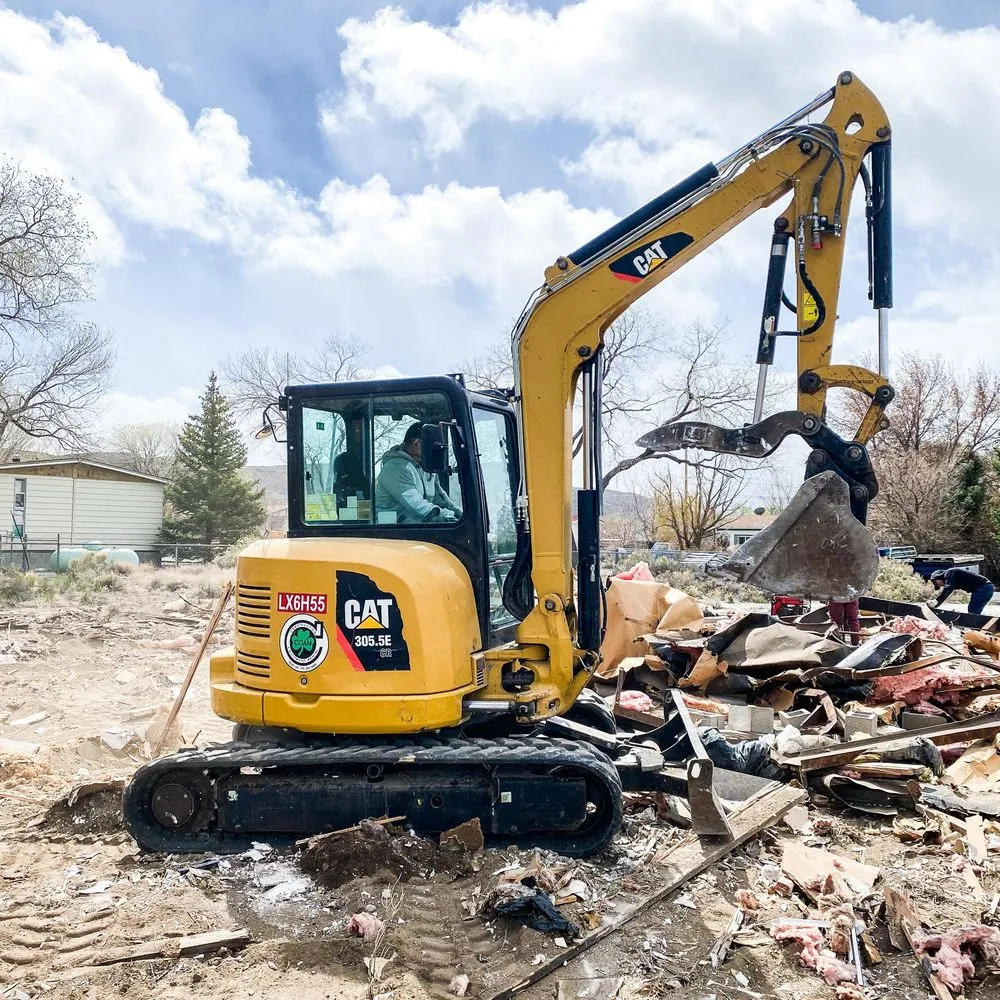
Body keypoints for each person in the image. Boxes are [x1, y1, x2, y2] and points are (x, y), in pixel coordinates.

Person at [375, 421, 462, 524]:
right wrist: (447, 516)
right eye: (431, 446)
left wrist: (461, 515)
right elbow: (417, 505)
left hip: (415, 528)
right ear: (417, 444)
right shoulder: (396, 468)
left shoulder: (426, 468)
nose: (435, 452)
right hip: (391, 531)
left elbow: (440, 500)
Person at [930, 567, 995, 614]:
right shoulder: (952, 578)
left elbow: (947, 590)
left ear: (937, 577)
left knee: (973, 611)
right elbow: (947, 592)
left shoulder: (950, 572)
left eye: (936, 583)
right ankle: (977, 627)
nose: (941, 586)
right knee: (973, 611)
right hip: (985, 588)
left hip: (984, 587)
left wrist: (936, 601)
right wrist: (936, 606)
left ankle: (975, 628)